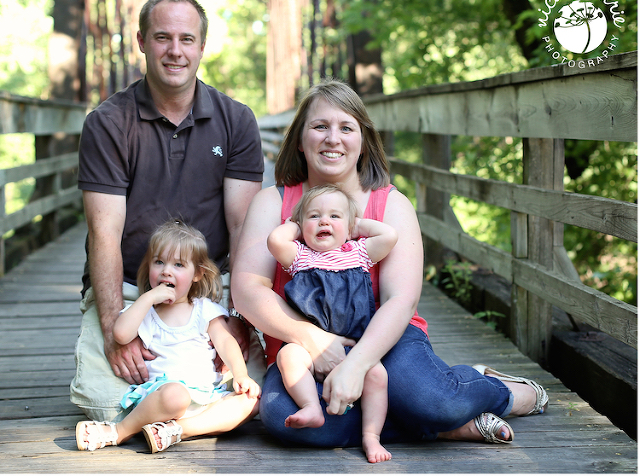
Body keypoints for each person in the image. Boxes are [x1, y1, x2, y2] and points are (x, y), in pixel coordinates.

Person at [231, 79, 549, 449]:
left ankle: (499, 391)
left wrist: (354, 365)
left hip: (387, 334)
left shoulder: (391, 206)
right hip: (299, 342)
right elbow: (248, 288)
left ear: (363, 141)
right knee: (285, 418)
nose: (333, 138)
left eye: (346, 128)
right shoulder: (274, 203)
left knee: (434, 401)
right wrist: (312, 339)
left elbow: (401, 300)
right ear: (300, 140)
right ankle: (439, 426)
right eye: (320, 126)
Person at [71, 0, 266, 423]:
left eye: (186, 39)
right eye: (162, 38)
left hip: (210, 290)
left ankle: (171, 420)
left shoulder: (236, 120)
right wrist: (111, 328)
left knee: (259, 399)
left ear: (201, 46)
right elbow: (104, 233)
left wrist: (240, 316)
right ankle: (192, 416)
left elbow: (242, 227)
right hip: (130, 289)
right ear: (141, 41)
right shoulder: (108, 123)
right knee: (104, 407)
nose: (175, 51)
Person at [75, 220, 260, 453]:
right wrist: (147, 299)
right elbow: (121, 335)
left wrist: (241, 374)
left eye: (179, 264)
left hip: (206, 396)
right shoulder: (147, 312)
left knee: (250, 402)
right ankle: (119, 431)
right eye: (159, 262)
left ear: (197, 274)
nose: (166, 270)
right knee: (176, 396)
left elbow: (225, 341)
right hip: (163, 397)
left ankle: (178, 430)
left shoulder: (204, 309)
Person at [267, 184, 397, 462]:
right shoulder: (301, 257)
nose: (324, 221)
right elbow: (276, 241)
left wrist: (356, 225)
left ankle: (371, 436)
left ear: (349, 227)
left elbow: (389, 235)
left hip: (355, 345)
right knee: (288, 355)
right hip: (312, 346)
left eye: (335, 217)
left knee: (377, 376)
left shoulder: (359, 252)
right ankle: (311, 406)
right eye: (314, 216)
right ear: (302, 227)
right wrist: (294, 226)